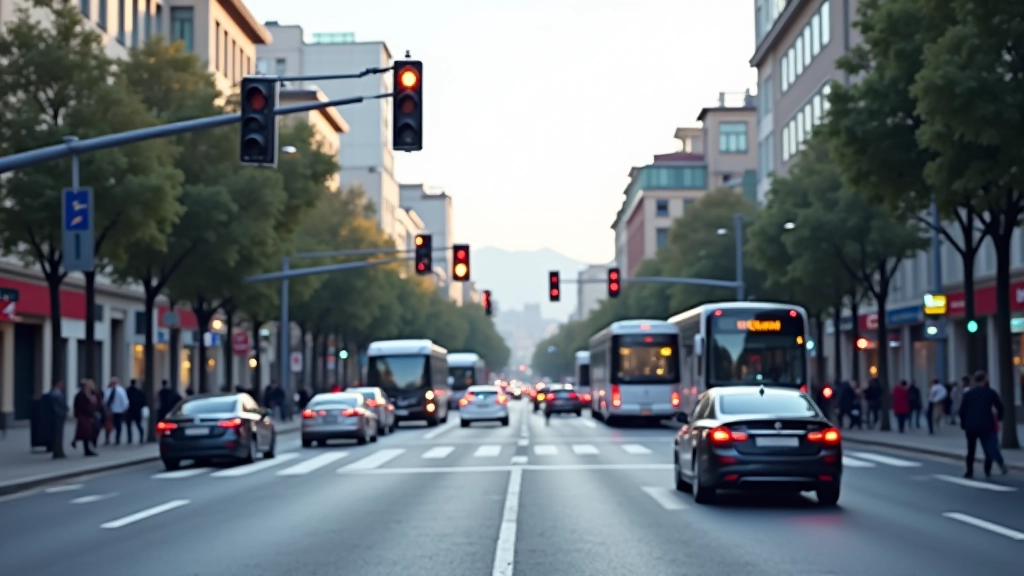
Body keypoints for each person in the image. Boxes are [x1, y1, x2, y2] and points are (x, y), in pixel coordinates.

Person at [959, 370, 1008, 478]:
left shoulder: (968, 394)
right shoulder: (990, 392)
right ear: (985, 379)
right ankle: (987, 470)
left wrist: (963, 423)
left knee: (971, 449)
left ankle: (969, 471)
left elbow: (962, 410)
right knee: (987, 449)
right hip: (986, 424)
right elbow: (1000, 407)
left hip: (971, 425)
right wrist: (999, 418)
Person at [73, 380, 99, 456]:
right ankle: (87, 450)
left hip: (90, 416)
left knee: (90, 432)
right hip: (84, 417)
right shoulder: (81, 395)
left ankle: (76, 441)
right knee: (86, 434)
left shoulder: (92, 394)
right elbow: (81, 406)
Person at [103, 377, 129, 445]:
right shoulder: (108, 390)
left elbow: (124, 400)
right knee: (108, 425)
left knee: (118, 426)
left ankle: (117, 439)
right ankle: (107, 439)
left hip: (118, 410)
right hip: (110, 410)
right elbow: (105, 400)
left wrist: (124, 409)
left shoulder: (120, 390)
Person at [47, 381, 68, 459]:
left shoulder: (58, 393)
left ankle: (59, 451)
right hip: (57, 418)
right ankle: (57, 451)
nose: (62, 386)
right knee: (57, 435)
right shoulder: (54, 394)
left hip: (59, 417)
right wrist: (61, 413)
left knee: (59, 435)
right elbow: (55, 407)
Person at [125, 379, 147, 444]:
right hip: (137, 410)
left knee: (129, 426)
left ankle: (129, 439)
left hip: (130, 410)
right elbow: (144, 402)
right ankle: (141, 438)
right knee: (138, 425)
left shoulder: (127, 391)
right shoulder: (139, 392)